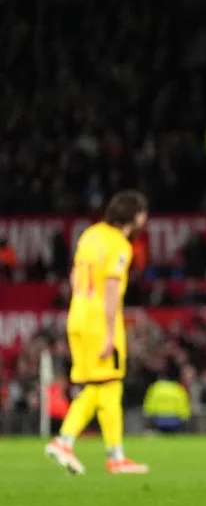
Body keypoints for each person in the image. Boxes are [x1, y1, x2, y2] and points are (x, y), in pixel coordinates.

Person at [45, 190, 151, 475]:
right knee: (99, 386)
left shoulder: (89, 235)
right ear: (136, 216)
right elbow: (112, 287)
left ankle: (116, 456)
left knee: (110, 387)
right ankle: (64, 441)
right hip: (99, 321)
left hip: (78, 314)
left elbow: (74, 277)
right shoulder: (119, 244)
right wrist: (109, 332)